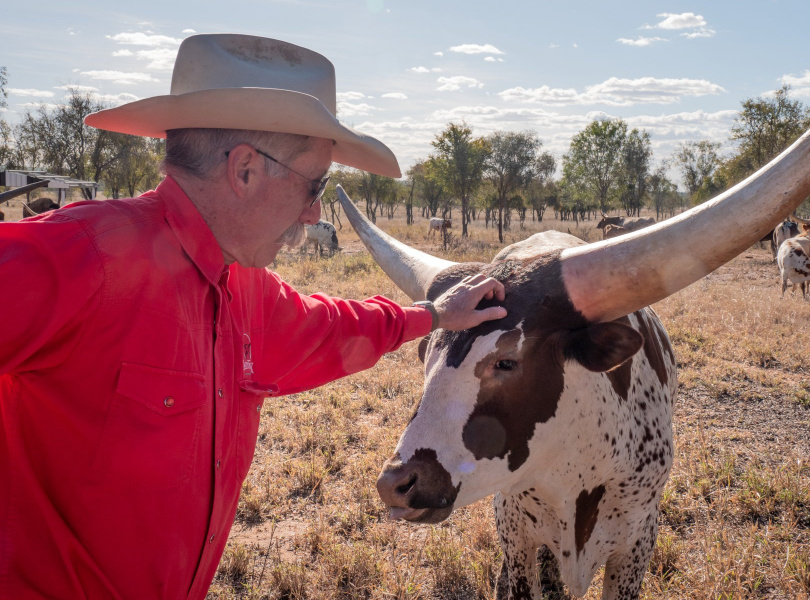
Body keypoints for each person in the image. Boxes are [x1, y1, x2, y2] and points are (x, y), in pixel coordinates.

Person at [0, 33, 506, 599]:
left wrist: (433, 316)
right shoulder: (86, 256)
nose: (315, 211)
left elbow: (334, 327)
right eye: (314, 185)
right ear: (244, 170)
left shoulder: (245, 287)